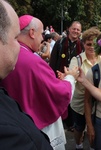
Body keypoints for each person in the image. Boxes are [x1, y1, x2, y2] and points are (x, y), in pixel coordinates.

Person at [0, 14, 79, 150]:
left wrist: (53, 80)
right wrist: (70, 77)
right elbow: (58, 92)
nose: (43, 38)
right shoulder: (32, 61)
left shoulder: (11, 55)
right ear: (32, 33)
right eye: (41, 33)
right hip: (37, 127)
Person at [0, 0, 53, 149]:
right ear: (32, 32)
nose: (43, 37)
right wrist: (69, 80)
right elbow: (53, 90)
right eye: (15, 38)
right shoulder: (17, 135)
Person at [69, 27, 101, 150]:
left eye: (94, 44)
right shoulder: (77, 60)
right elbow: (72, 74)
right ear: (83, 44)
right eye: (88, 44)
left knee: (94, 127)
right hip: (80, 103)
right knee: (79, 128)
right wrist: (70, 76)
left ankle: (93, 146)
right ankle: (78, 145)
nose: (92, 47)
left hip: (97, 102)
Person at [50, 21, 84, 130]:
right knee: (61, 99)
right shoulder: (60, 42)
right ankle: (63, 121)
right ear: (69, 29)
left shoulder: (82, 45)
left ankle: (72, 123)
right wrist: (53, 74)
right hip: (60, 76)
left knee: (73, 100)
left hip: (75, 77)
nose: (75, 31)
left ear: (80, 32)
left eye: (78, 29)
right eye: (74, 29)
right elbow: (53, 60)